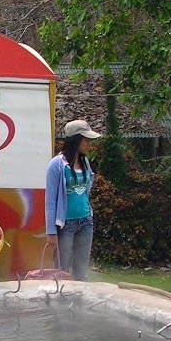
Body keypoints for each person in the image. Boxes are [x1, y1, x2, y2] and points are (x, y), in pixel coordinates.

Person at [45, 119, 101, 281]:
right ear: (75, 140)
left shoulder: (85, 162)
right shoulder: (56, 165)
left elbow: (86, 191)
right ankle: (60, 297)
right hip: (65, 225)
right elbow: (50, 201)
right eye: (85, 140)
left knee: (81, 271)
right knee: (62, 270)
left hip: (85, 222)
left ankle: (80, 297)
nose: (89, 144)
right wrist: (51, 232)